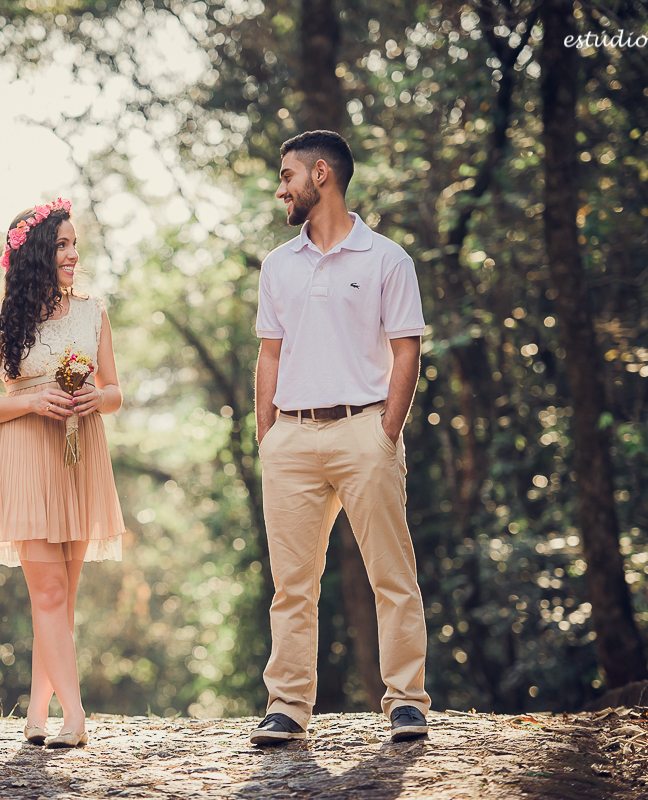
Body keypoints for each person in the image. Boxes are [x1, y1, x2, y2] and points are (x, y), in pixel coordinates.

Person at [250, 131, 431, 745]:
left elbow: (406, 351)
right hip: (292, 438)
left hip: (365, 430)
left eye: (287, 176)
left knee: (391, 575)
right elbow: (268, 357)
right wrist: (266, 436)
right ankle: (288, 707)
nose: (281, 189)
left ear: (320, 174)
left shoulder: (387, 259)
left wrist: (387, 433)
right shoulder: (278, 264)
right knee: (291, 585)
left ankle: (407, 700)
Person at [0, 199, 125, 749]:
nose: (73, 255)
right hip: (26, 457)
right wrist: (34, 401)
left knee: (60, 596)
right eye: (61, 245)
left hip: (79, 457)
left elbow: (115, 393)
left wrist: (93, 399)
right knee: (50, 591)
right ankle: (75, 718)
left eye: (75, 244)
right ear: (34, 254)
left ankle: (36, 710)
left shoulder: (92, 311)